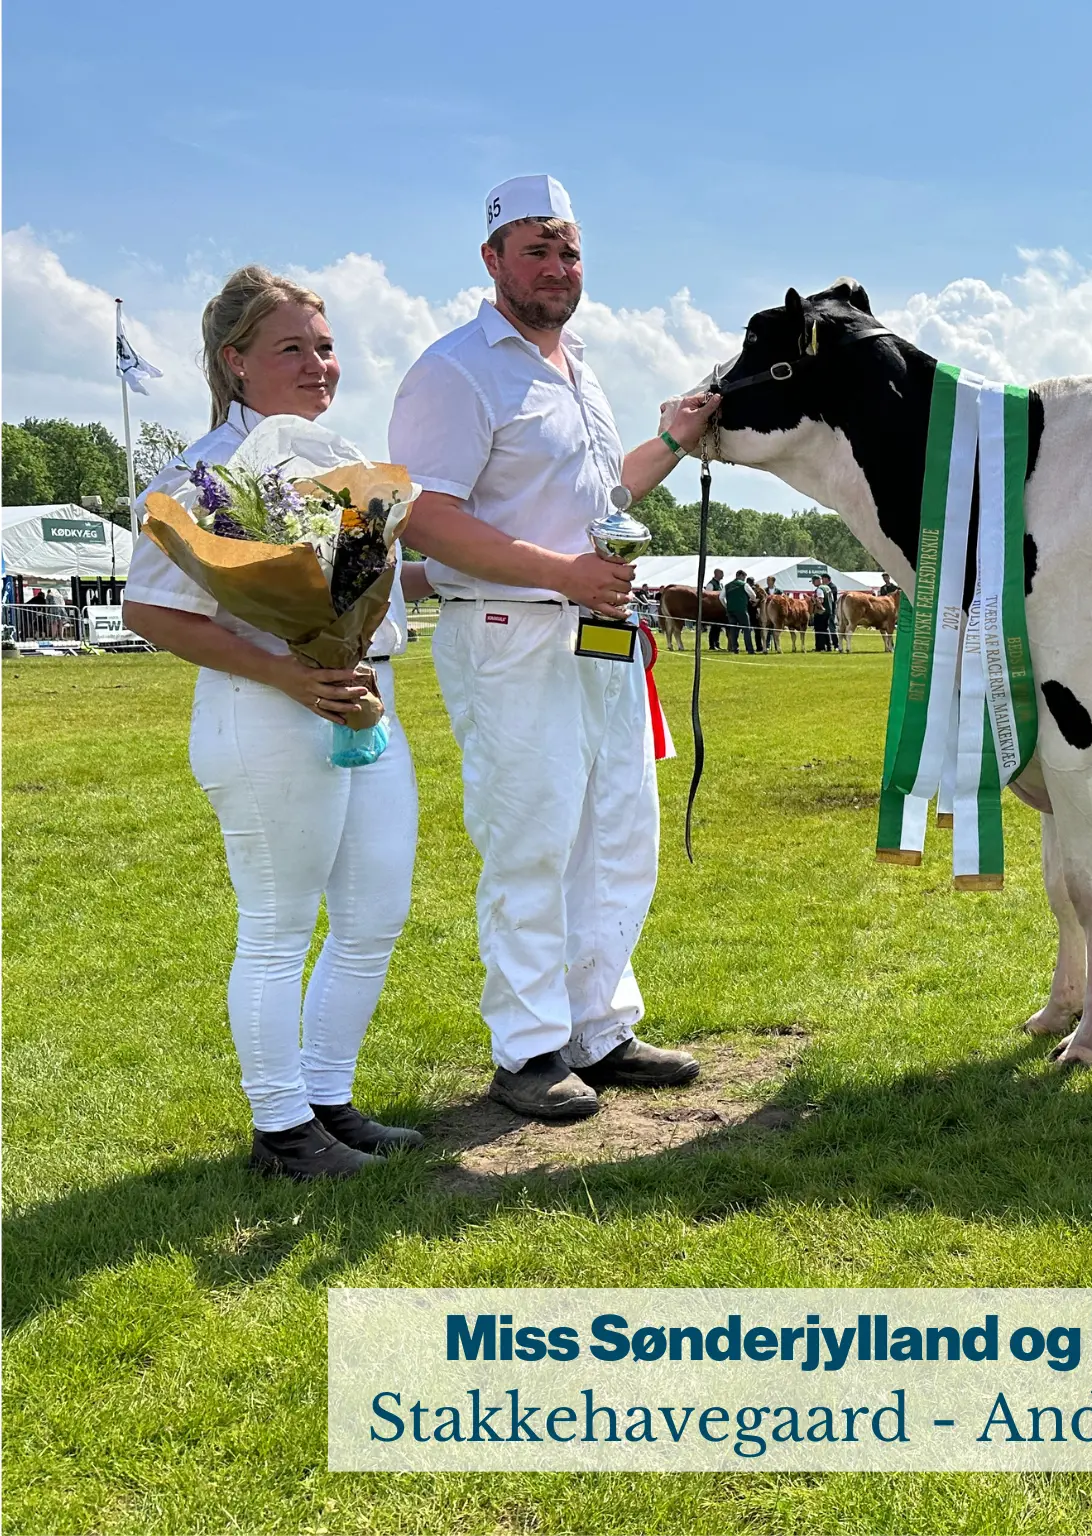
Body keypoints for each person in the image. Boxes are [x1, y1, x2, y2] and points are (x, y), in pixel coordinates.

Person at [388, 175, 717, 1121]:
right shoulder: (454, 370)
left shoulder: (581, 370)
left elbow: (606, 499)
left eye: (568, 251)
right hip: (510, 630)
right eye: (535, 249)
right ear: (492, 260)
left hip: (596, 632)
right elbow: (427, 516)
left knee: (618, 833)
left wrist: (673, 439)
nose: (557, 267)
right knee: (531, 840)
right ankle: (528, 1049)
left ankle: (598, 1028)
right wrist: (559, 573)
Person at [122, 265, 430, 1180]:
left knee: (375, 912)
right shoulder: (203, 476)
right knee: (279, 923)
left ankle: (329, 1100)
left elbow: (366, 590)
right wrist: (283, 671)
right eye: (292, 347)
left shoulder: (342, 461)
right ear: (236, 363)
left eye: (325, 347)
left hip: (362, 700)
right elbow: (150, 608)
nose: (318, 364)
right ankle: (283, 1131)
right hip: (264, 709)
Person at [723, 568, 756, 654]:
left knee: (733, 630)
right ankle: (749, 649)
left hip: (730, 610)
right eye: (744, 577)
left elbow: (721, 597)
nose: (744, 579)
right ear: (740, 576)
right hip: (742, 610)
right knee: (746, 629)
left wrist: (726, 605)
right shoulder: (744, 585)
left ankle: (735, 648)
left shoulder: (727, 585)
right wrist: (751, 599)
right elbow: (753, 595)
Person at [705, 567, 725, 650]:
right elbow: (707, 596)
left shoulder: (721, 584)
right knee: (714, 627)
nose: (723, 575)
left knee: (718, 627)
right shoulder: (711, 584)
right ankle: (712, 645)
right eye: (721, 573)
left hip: (719, 609)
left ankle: (717, 643)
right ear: (716, 574)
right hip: (712, 609)